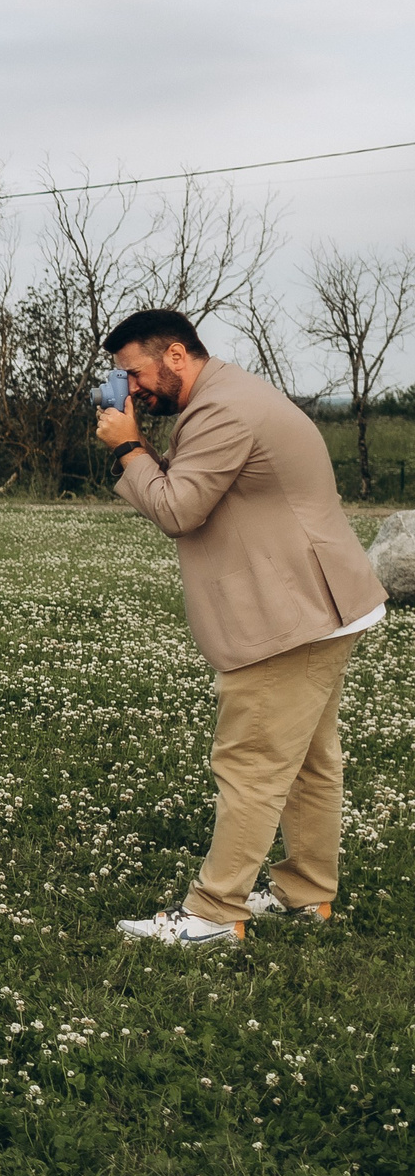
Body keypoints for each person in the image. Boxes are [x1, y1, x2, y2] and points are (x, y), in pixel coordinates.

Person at [97, 309, 389, 946]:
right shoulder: (227, 396)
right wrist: (141, 446)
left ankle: (212, 913)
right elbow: (187, 486)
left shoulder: (222, 409)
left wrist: (125, 445)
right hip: (319, 603)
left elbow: (178, 508)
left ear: (176, 355)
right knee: (310, 762)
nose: (131, 390)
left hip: (292, 614)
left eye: (135, 374)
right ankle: (307, 895)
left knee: (250, 762)